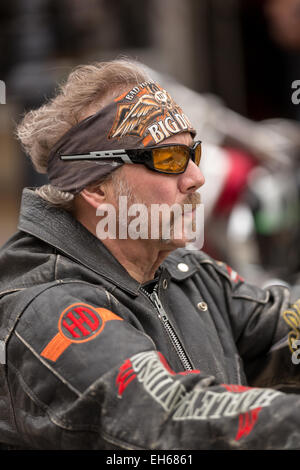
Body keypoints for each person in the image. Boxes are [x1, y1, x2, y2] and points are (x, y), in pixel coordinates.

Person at [0, 59, 300, 450]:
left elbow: (282, 329)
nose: (197, 177)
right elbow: (165, 420)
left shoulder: (182, 271)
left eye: (192, 154)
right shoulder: (47, 307)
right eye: (169, 160)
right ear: (96, 187)